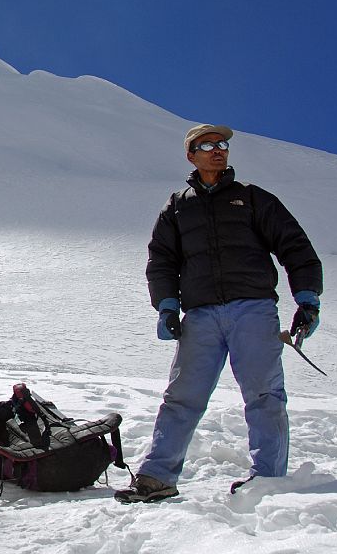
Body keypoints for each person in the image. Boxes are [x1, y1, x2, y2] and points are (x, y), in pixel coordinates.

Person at [114, 124, 323, 503]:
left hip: (254, 310)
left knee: (264, 395)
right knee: (181, 397)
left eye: (222, 144)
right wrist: (166, 305)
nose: (217, 150)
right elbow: (161, 260)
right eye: (206, 145)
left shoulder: (253, 199)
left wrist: (307, 299)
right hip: (201, 315)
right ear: (191, 155)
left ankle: (268, 479)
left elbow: (295, 246)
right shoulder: (177, 206)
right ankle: (157, 476)